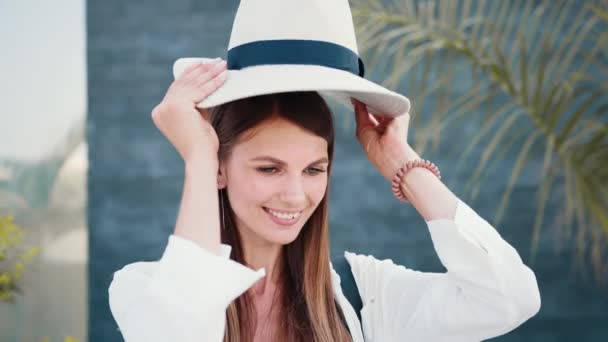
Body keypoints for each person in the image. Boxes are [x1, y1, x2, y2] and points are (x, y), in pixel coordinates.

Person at [108, 1, 541, 341]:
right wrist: (198, 156)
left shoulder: (364, 295)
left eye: (314, 169)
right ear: (220, 168)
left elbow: (508, 299)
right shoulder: (143, 288)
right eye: (269, 168)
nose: (295, 196)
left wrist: (400, 161)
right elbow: (180, 333)